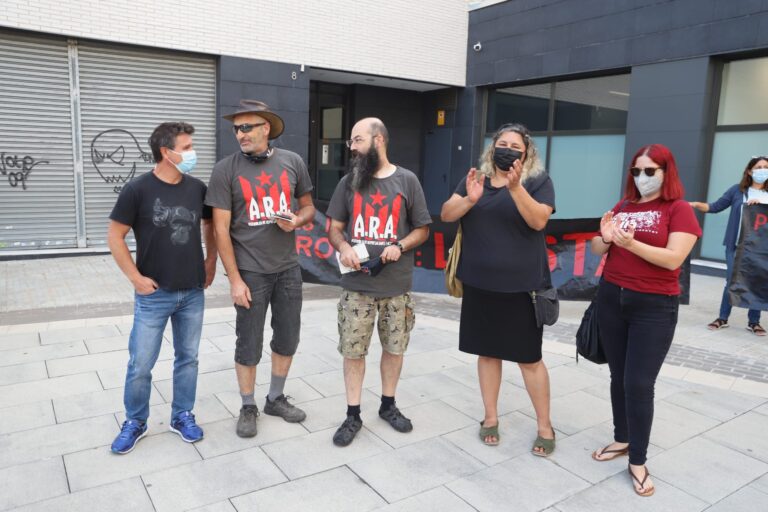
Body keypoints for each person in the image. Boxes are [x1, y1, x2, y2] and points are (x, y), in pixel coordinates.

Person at [590, 144, 701, 497]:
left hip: (653, 307)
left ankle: (637, 460)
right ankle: (622, 438)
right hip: (612, 298)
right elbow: (597, 247)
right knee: (617, 376)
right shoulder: (624, 206)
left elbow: (673, 259)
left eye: (650, 171)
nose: (642, 177)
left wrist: (631, 244)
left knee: (638, 383)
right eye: (636, 171)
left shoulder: (679, 209)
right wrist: (605, 238)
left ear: (666, 172)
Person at [440, 123, 556, 456]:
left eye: (515, 146)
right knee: (488, 353)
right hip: (480, 286)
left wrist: (516, 188)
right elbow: (447, 214)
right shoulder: (475, 179)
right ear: (492, 148)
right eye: (502, 144)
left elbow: (539, 221)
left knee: (529, 360)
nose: (507, 150)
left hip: (522, 289)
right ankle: (490, 417)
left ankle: (545, 426)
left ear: (527, 153)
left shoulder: (537, 181)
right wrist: (470, 199)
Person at [205, 100, 315, 438]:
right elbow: (220, 230)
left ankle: (275, 398)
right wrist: (234, 280)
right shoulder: (225, 169)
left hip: (288, 268)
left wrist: (296, 220)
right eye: (236, 129)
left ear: (266, 128)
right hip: (250, 271)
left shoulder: (292, 162)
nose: (240, 134)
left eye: (246, 127)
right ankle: (248, 405)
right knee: (249, 342)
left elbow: (309, 208)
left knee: (288, 337)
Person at [107, 122, 217, 454]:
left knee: (188, 359)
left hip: (192, 291)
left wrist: (211, 260)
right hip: (153, 295)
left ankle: (182, 415)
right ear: (166, 153)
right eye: (187, 147)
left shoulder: (197, 188)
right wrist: (135, 278)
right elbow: (115, 236)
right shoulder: (137, 190)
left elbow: (210, 224)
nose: (192, 153)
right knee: (140, 364)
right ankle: (135, 421)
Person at [327, 117, 431, 447]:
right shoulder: (348, 182)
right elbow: (334, 228)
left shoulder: (407, 181)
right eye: (351, 142)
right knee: (353, 352)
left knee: (394, 349)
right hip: (356, 288)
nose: (353, 147)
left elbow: (422, 229)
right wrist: (343, 247)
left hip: (396, 287)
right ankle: (352, 414)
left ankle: (388, 405)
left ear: (379, 140)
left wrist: (400, 245)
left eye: (358, 140)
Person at [690, 156, 768, 335]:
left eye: (766, 167)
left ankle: (754, 322)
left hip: (761, 248)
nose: (763, 170)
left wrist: (760, 206)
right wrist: (694, 205)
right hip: (736, 245)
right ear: (750, 171)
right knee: (732, 280)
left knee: (756, 281)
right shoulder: (737, 191)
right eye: (759, 167)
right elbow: (715, 207)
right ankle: (723, 318)